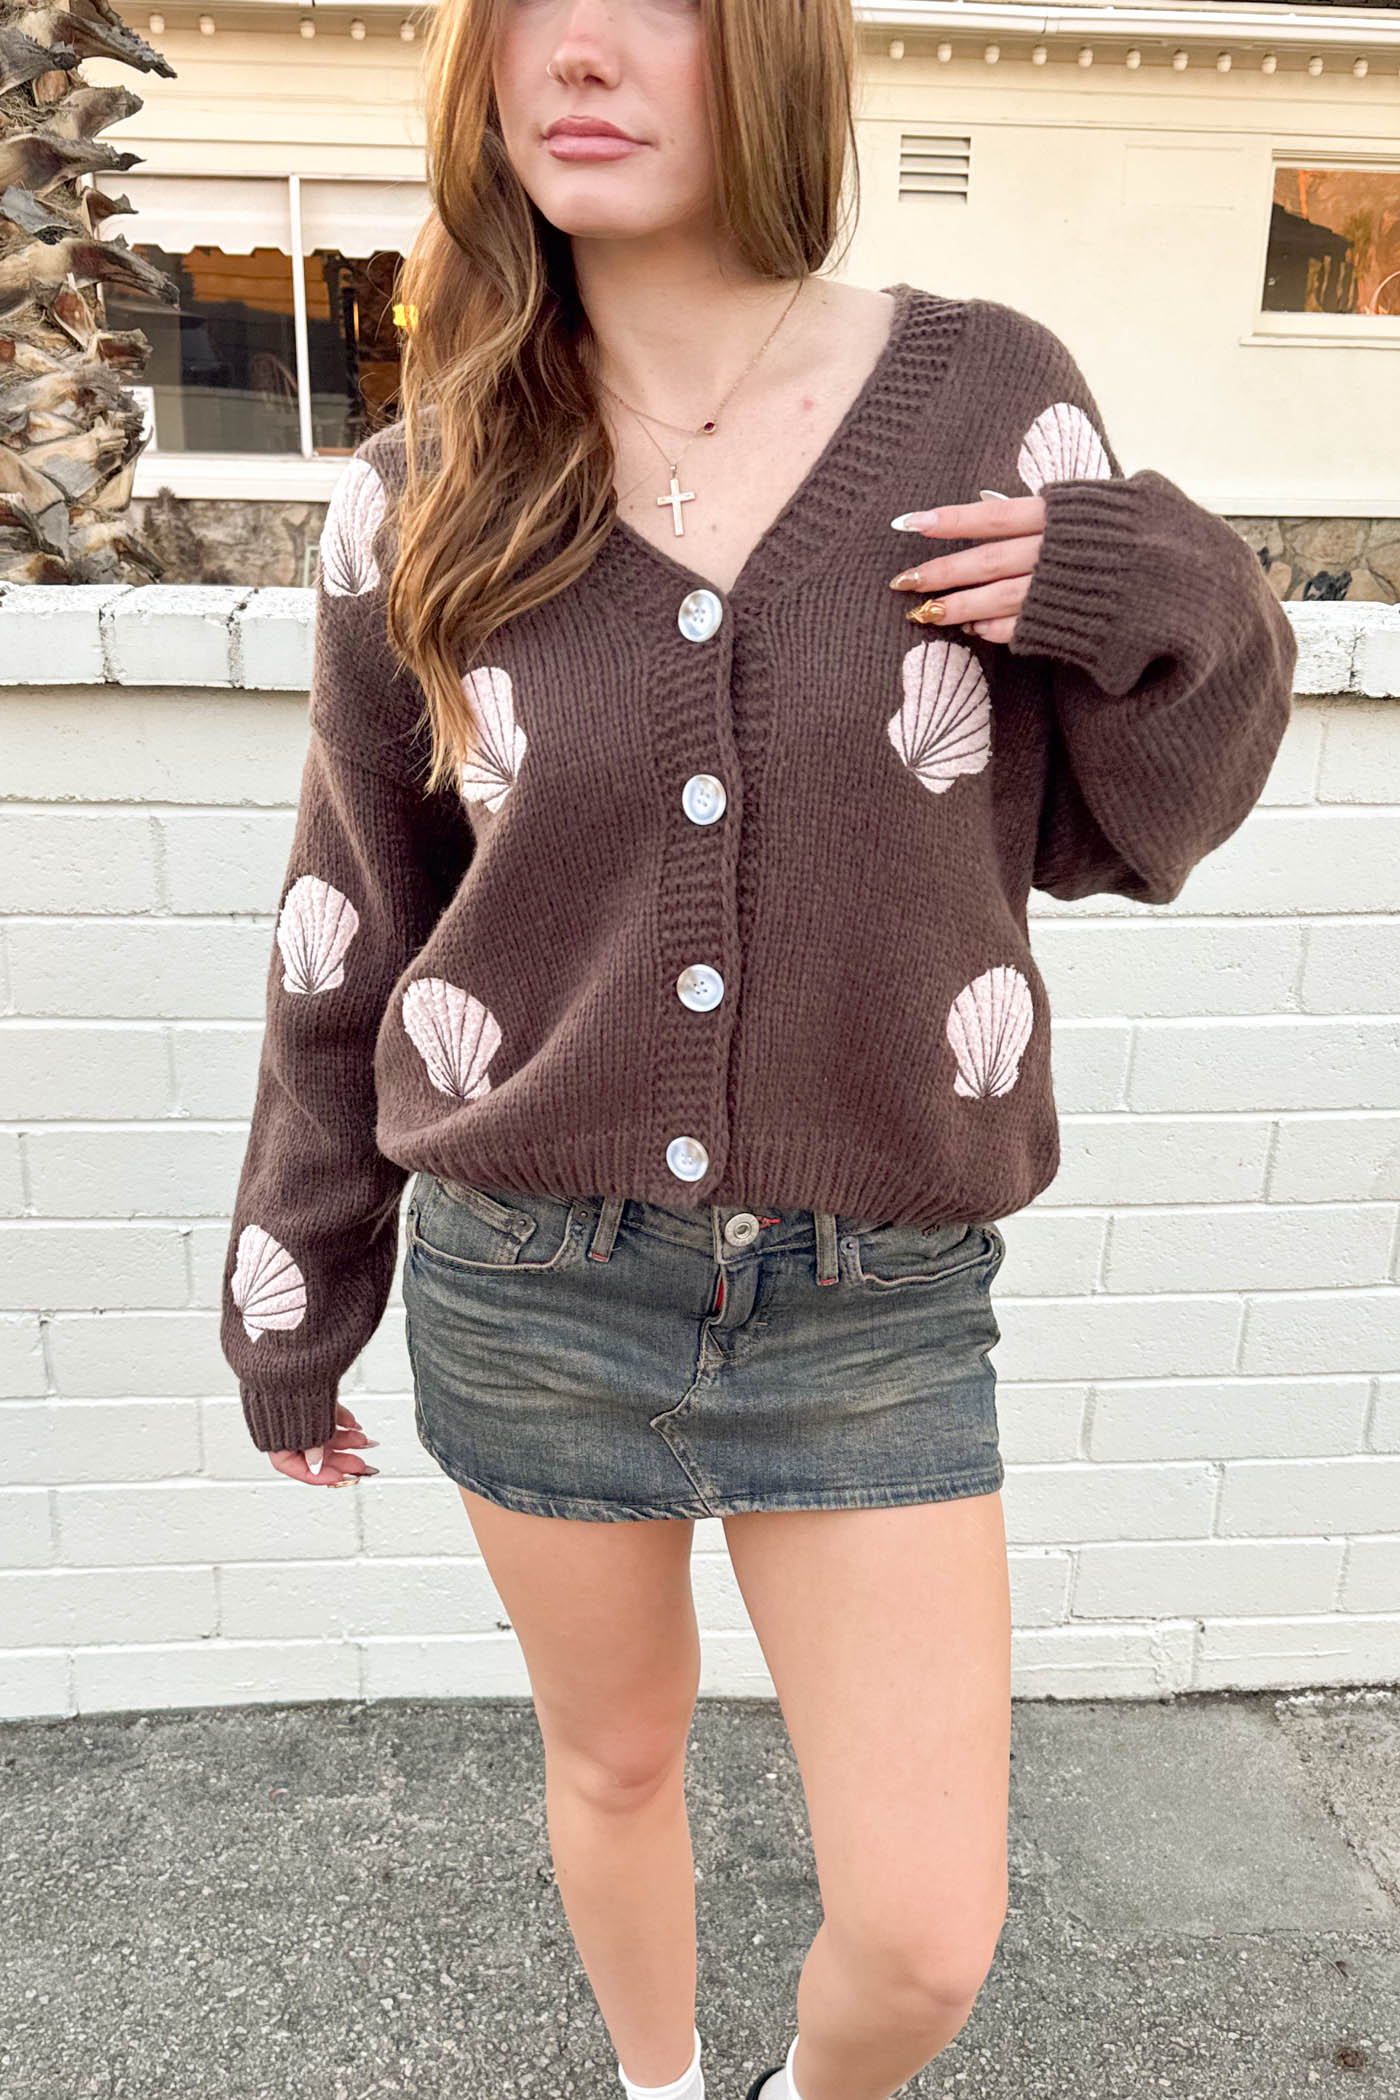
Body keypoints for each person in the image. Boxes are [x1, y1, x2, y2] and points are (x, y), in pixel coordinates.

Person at [218, 3, 1298, 2097]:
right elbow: (349, 921)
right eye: (527, 11)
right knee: (612, 1767)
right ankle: (653, 2087)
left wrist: (1168, 594)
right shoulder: (422, 487)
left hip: (872, 1299)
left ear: (771, 51)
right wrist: (291, 1292)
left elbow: (1135, 816)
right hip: (527, 1278)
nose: (576, 54)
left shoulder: (983, 399)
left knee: (917, 1934)